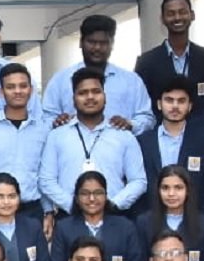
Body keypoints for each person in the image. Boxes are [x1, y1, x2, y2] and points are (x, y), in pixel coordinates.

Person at [39, 68, 147, 217]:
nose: (90, 97)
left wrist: (113, 204)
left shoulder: (124, 136)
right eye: (83, 93)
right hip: (69, 217)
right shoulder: (57, 135)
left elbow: (138, 181)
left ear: (105, 96)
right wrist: (73, 205)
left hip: (113, 216)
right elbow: (46, 180)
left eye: (96, 91)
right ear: (73, 99)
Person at [41, 15, 155, 135]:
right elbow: (45, 118)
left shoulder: (131, 81)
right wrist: (56, 122)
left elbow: (147, 119)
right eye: (91, 42)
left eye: (103, 43)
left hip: (119, 145)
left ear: (112, 44)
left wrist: (130, 124)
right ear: (81, 42)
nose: (97, 48)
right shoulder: (60, 80)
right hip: (72, 145)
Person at [49, 172, 148, 261]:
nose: (92, 198)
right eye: (85, 193)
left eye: (98, 193)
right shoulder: (63, 228)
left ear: (106, 196)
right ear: (77, 198)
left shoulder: (126, 227)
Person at [0, 63, 52, 227]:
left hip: (31, 210)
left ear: (30, 90)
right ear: (1, 92)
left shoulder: (43, 129)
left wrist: (48, 211)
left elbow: (44, 173)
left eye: (23, 86)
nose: (18, 91)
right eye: (11, 87)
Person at [138, 77, 204, 209]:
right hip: (152, 217)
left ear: (190, 106)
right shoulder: (143, 142)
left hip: (195, 217)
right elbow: (137, 184)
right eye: (169, 100)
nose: (175, 106)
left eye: (181, 101)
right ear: (159, 104)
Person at [133, 0, 204, 120]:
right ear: (162, 19)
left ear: (192, 15)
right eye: (171, 13)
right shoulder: (146, 62)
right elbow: (140, 104)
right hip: (161, 130)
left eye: (182, 12)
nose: (177, 17)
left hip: (201, 130)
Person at [140, 166, 204, 261]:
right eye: (165, 188)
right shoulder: (144, 223)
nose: (171, 194)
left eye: (178, 188)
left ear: (187, 190)